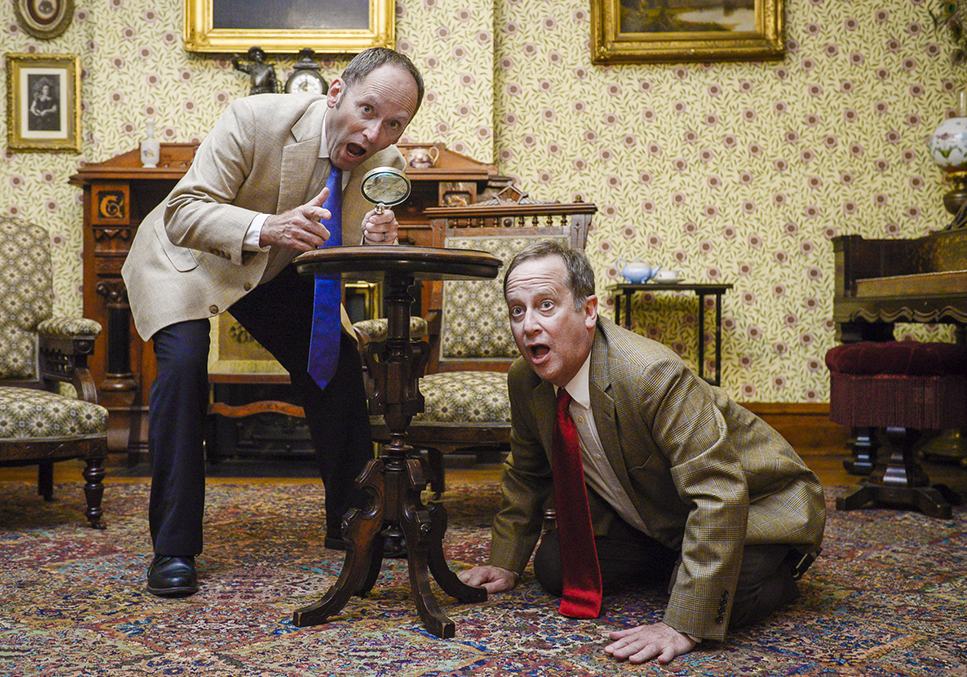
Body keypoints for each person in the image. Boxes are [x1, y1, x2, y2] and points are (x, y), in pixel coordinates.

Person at [122, 47, 423, 598]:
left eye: (394, 125)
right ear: (336, 92)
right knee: (186, 367)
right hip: (184, 259)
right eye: (368, 110)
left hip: (268, 269)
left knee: (333, 359)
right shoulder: (253, 117)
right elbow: (183, 210)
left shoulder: (384, 165)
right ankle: (173, 548)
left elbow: (347, 251)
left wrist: (375, 244)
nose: (376, 132)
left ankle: (356, 520)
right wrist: (267, 226)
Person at [458, 241, 826, 665]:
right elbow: (527, 473)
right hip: (661, 511)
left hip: (757, 504)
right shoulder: (525, 380)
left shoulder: (651, 373)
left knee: (711, 604)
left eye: (545, 305)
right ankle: (681, 563)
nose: (528, 326)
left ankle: (779, 569)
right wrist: (505, 563)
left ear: (589, 310)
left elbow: (720, 493)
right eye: (517, 311)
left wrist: (683, 622)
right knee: (556, 567)